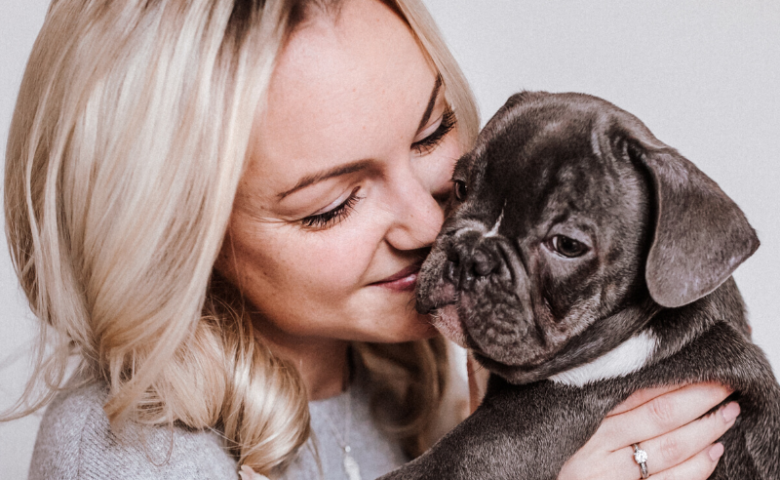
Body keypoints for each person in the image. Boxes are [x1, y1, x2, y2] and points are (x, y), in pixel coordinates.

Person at [2, 0, 738, 479]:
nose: (427, 222)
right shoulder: (130, 454)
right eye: (331, 205)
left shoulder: (398, 383)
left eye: (434, 136)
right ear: (173, 242)